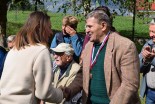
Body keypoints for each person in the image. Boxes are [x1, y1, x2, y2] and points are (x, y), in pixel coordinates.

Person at [0, 11, 63, 104]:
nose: (50, 32)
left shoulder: (14, 50)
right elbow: (44, 93)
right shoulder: (41, 51)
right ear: (39, 28)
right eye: (49, 27)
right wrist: (61, 94)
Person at [81, 10, 140, 104]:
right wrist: (69, 90)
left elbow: (130, 84)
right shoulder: (88, 46)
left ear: (103, 26)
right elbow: (82, 74)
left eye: (90, 26)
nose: (86, 30)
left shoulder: (125, 46)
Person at [139, 18, 155, 104]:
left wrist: (152, 60)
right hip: (150, 93)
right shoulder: (148, 44)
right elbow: (138, 68)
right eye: (150, 31)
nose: (151, 35)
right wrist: (145, 60)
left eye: (154, 32)